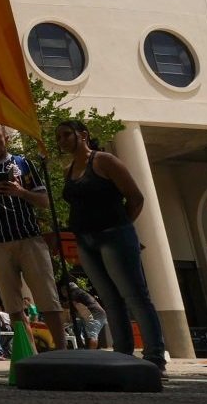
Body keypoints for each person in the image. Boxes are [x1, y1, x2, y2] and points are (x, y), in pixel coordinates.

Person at [58, 119, 166, 372]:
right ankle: (122, 354)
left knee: (135, 295)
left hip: (114, 235)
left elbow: (136, 198)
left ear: (83, 135)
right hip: (86, 240)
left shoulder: (104, 161)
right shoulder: (68, 170)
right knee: (109, 298)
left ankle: (154, 357)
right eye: (58, 137)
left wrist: (120, 227)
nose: (62, 141)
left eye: (66, 135)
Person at [0, 122, 67, 350]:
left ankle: (62, 350)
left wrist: (20, 191)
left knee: (48, 297)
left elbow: (43, 201)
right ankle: (29, 352)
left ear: (7, 139)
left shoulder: (24, 163)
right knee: (12, 304)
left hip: (29, 237)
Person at [61, 278, 108, 349]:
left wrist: (58, 305)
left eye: (64, 292)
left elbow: (68, 305)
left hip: (94, 313)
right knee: (89, 335)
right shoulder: (80, 293)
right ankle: (90, 351)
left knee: (92, 335)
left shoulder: (75, 293)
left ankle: (91, 355)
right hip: (96, 313)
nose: (64, 294)